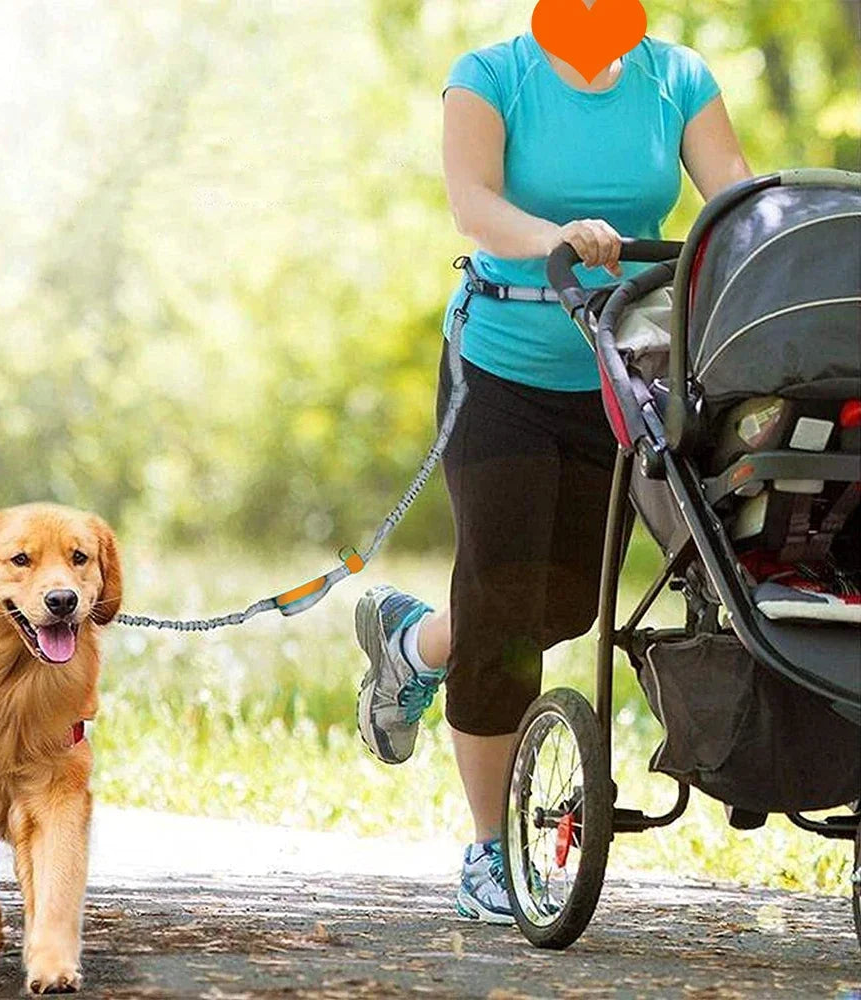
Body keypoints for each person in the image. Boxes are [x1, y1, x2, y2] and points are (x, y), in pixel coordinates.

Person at [355, 14, 752, 924]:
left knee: (566, 606)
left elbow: (733, 193)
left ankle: (414, 646)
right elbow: (474, 203)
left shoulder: (677, 79)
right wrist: (559, 235)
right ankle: (490, 853)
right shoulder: (491, 75)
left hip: (620, 377)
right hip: (499, 369)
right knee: (503, 604)